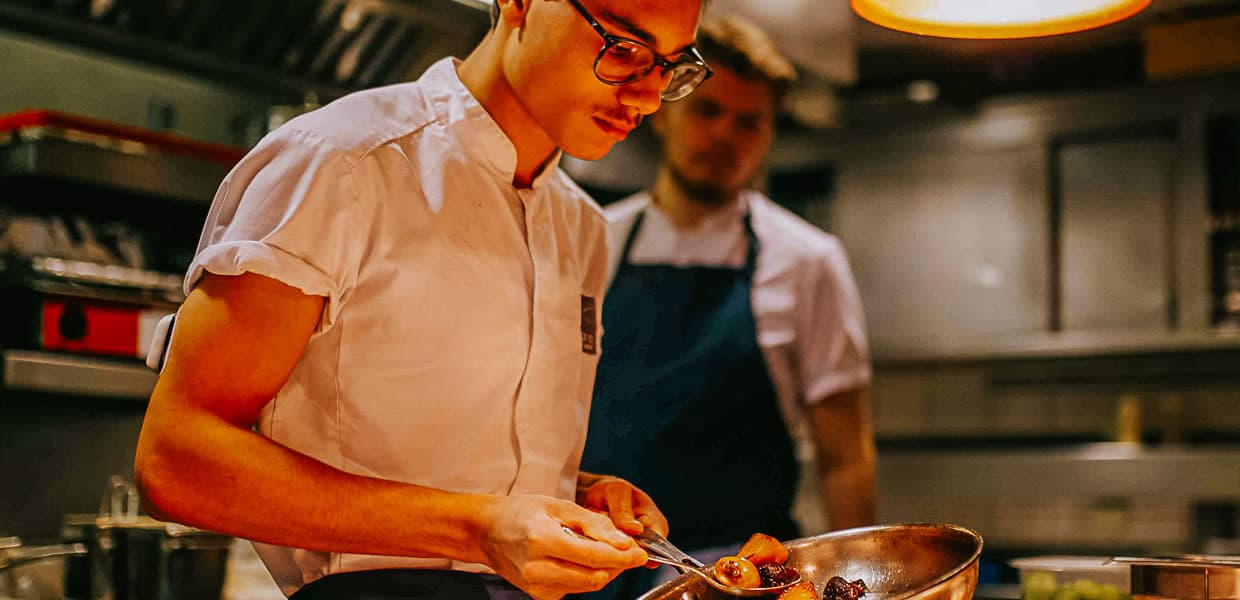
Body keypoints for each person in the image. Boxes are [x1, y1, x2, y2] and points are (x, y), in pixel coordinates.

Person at [132, 0, 715, 598]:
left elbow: (439, 460)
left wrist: (573, 494)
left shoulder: (582, 226)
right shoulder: (343, 163)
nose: (648, 97)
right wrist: (478, 530)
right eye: (622, 49)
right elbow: (175, 461)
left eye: (672, 66)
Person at [575, 14, 877, 599]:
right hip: (599, 571)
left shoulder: (809, 261)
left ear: (769, 134)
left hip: (744, 580)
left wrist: (854, 581)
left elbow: (845, 457)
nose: (724, 136)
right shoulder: (593, 240)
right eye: (708, 111)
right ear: (664, 109)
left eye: (749, 122)